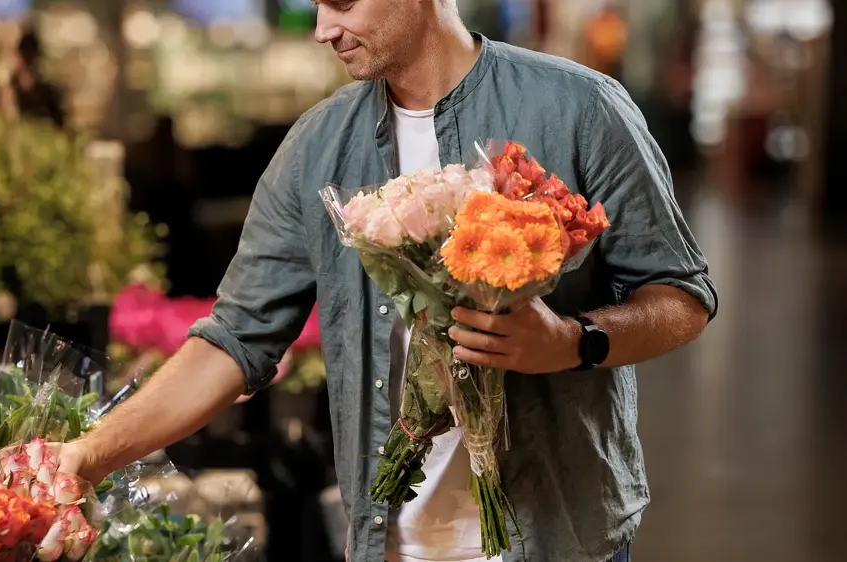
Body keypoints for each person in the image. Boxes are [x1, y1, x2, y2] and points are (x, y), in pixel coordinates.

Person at [59, 2, 716, 561]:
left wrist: (575, 342)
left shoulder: (580, 108)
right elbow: (233, 340)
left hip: (557, 533)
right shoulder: (317, 145)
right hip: (389, 539)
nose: (322, 28)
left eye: (341, 2)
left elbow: (681, 298)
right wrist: (87, 455)